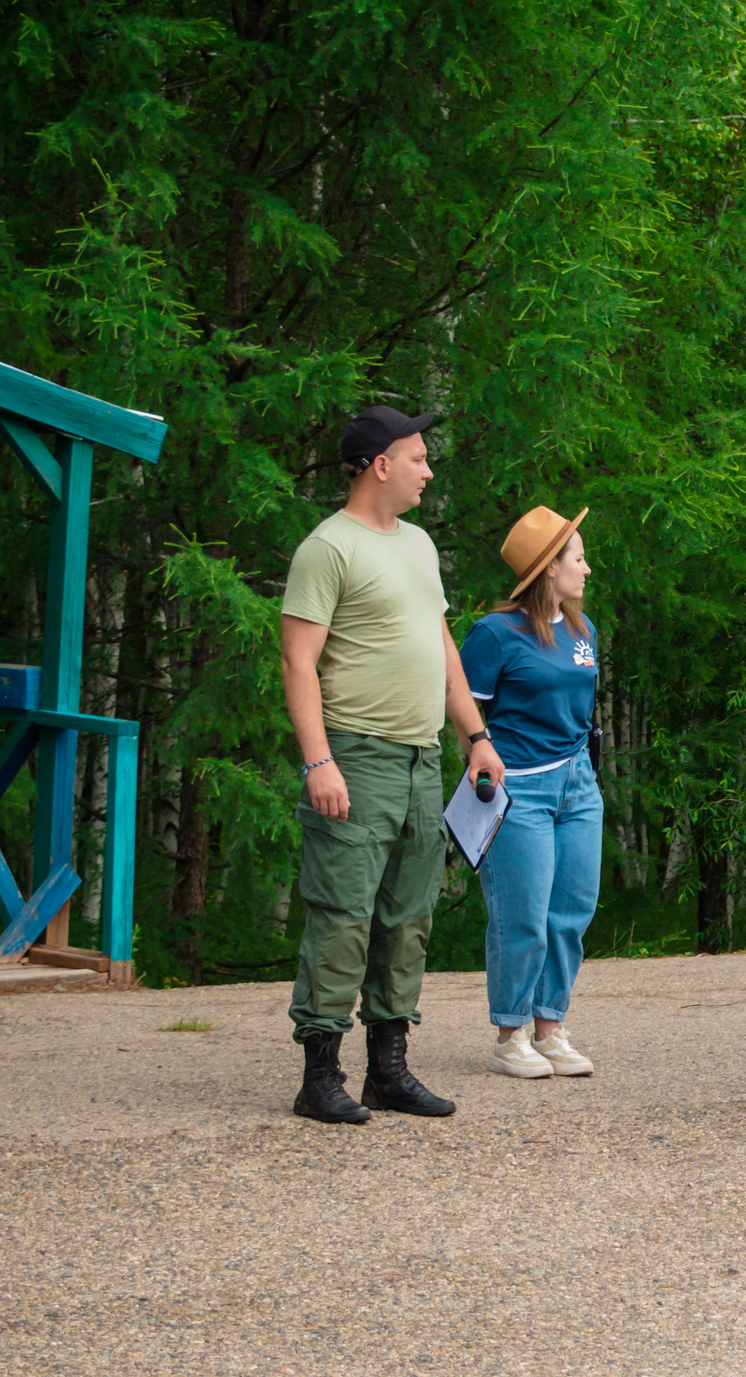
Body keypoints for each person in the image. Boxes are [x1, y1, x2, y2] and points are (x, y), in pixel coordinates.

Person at [280, 406, 501, 1123]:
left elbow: (442, 651)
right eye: (417, 458)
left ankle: (388, 1071)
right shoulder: (328, 548)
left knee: (408, 918)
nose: (427, 470)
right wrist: (319, 760)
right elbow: (299, 660)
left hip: (419, 760)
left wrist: (475, 737)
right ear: (380, 464)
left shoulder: (418, 545)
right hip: (356, 755)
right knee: (342, 914)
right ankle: (319, 1078)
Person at [464, 507, 605, 1079]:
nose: (587, 568)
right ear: (549, 568)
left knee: (570, 911)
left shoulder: (582, 630)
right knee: (522, 916)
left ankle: (550, 1029)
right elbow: (465, 707)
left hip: (578, 785)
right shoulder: (493, 634)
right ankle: (509, 1035)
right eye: (577, 557)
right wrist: (478, 750)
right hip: (519, 790)